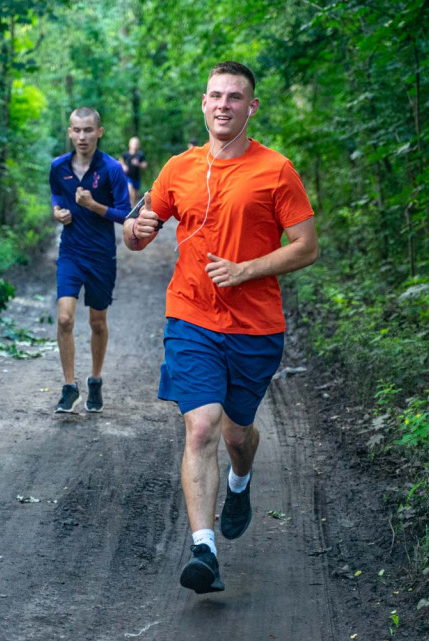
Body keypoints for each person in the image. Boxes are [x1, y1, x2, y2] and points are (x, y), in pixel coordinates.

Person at [123, 61, 319, 593]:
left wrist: (245, 270)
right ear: (203, 103)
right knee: (202, 426)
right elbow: (139, 233)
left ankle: (241, 479)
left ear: (251, 107)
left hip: (255, 327)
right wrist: (134, 229)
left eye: (235, 97)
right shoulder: (179, 167)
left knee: (236, 434)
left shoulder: (276, 170)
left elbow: (307, 246)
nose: (223, 105)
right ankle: (203, 550)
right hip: (191, 317)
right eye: (215, 96)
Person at [49, 107, 131, 414]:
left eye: (88, 130)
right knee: (64, 318)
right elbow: (57, 196)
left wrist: (93, 205)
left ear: (99, 132)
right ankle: (70, 387)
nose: (82, 136)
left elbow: (126, 215)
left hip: (101, 255)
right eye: (76, 130)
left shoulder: (111, 169)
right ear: (69, 132)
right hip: (70, 251)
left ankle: (95, 380)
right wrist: (58, 212)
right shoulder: (58, 167)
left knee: (98, 322)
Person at [121, 136, 148, 203]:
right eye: (133, 143)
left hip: (136, 177)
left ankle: (132, 209)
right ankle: (129, 208)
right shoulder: (126, 154)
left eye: (136, 143)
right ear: (129, 144)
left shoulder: (140, 154)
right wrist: (123, 166)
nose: (135, 145)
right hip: (128, 177)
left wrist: (138, 164)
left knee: (135, 196)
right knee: (130, 192)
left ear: (139, 145)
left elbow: (145, 165)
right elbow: (120, 161)